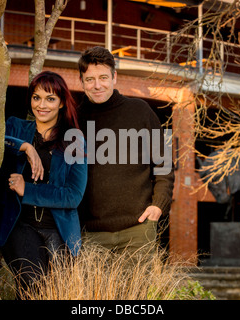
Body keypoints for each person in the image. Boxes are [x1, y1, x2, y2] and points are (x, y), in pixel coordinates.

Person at [0, 71, 87, 294]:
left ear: (62, 103)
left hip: (60, 230)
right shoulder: (16, 128)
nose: (42, 105)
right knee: (34, 283)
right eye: (36, 97)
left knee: (57, 293)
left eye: (50, 99)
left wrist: (27, 189)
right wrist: (24, 146)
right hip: (19, 224)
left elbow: (73, 195)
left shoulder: (73, 140)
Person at [77, 46, 174, 256]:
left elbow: (164, 163)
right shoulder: (74, 120)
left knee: (136, 290)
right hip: (90, 234)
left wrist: (159, 205)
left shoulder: (141, 111)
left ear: (114, 77)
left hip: (138, 229)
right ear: (82, 81)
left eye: (103, 77)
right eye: (90, 79)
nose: (97, 85)